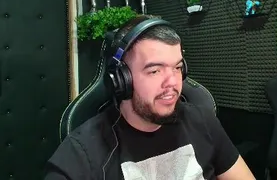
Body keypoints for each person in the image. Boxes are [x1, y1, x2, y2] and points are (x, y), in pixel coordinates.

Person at [44, 17, 255, 180]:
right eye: (155, 71)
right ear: (122, 79)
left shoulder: (203, 121)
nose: (173, 82)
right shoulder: (82, 154)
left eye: (177, 68)